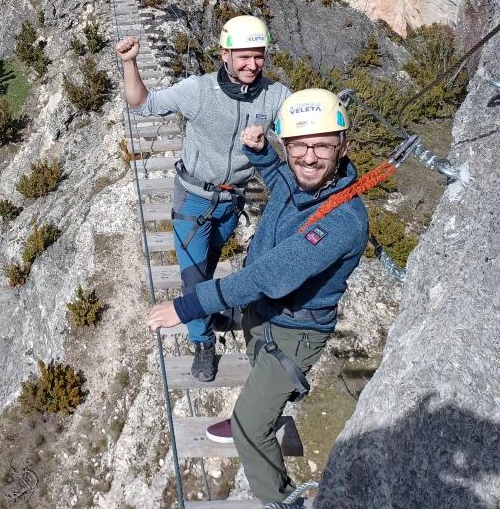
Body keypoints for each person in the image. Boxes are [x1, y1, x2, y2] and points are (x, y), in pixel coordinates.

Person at [146, 88, 369, 507]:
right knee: (254, 361)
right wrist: (264, 152)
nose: (308, 157)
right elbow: (282, 179)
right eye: (298, 145)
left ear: (343, 147)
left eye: (321, 145)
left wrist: (186, 306)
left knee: (252, 428)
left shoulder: (343, 218)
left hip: (296, 331)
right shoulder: (305, 181)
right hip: (265, 315)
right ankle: (256, 408)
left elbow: (273, 276)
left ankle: (280, 497)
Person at [117, 16, 290, 382]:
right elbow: (141, 103)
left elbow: (304, 129)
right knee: (194, 280)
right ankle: (203, 342)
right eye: (243, 57)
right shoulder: (198, 90)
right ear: (224, 54)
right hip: (193, 200)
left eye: (258, 56)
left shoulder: (275, 96)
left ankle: (206, 311)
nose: (252, 65)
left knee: (207, 269)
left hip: (231, 202)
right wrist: (130, 62)